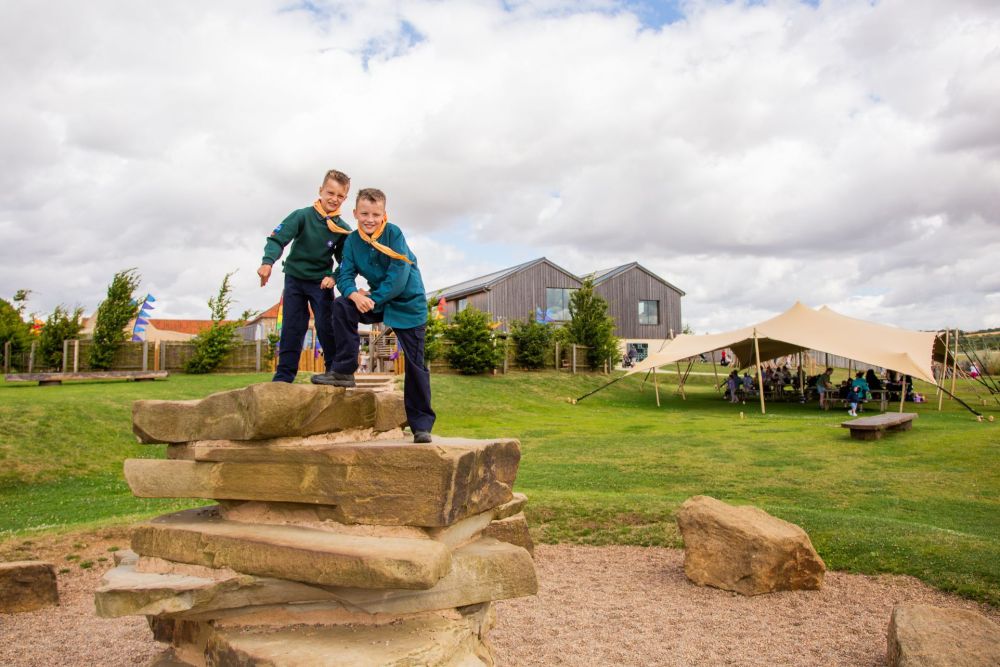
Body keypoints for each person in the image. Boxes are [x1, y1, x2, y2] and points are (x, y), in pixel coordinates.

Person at [312, 188, 435, 444]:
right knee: (342, 306)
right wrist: (354, 295)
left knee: (416, 364)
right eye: (364, 213)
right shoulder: (353, 242)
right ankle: (344, 370)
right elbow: (344, 273)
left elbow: (399, 275)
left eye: (375, 214)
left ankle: (421, 425)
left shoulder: (394, 234)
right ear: (355, 213)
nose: (370, 219)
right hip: (374, 299)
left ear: (384, 214)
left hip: (405, 302)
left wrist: (372, 299)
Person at [258, 169, 352, 383]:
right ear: (320, 191)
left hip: (321, 283)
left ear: (345, 198)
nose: (334, 199)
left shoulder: (342, 229)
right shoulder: (302, 216)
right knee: (293, 325)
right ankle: (284, 375)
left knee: (326, 325)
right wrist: (267, 262)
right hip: (295, 280)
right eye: (330, 193)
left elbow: (347, 261)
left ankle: (333, 371)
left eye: (339, 196)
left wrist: (335, 277)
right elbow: (277, 239)